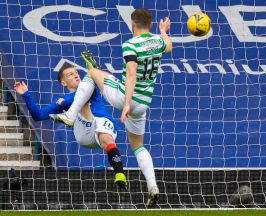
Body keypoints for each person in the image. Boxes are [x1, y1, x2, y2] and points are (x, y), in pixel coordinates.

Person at [51, 8, 172, 207]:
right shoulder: (157, 41)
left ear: (132, 24)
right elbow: (168, 46)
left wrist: (125, 104)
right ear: (150, 25)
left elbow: (131, 75)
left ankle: (70, 115)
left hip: (126, 97)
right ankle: (152, 186)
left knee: (92, 73)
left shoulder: (130, 44)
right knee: (138, 146)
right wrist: (164, 30)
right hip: (143, 104)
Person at [14, 63, 127, 189]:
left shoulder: (89, 86)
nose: (76, 76)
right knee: (82, 104)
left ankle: (120, 173)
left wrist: (65, 102)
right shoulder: (62, 99)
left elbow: (81, 95)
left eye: (76, 73)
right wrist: (26, 94)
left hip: (101, 123)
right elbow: (38, 115)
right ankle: (69, 116)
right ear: (63, 83)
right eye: (70, 74)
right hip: (83, 132)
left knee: (106, 137)